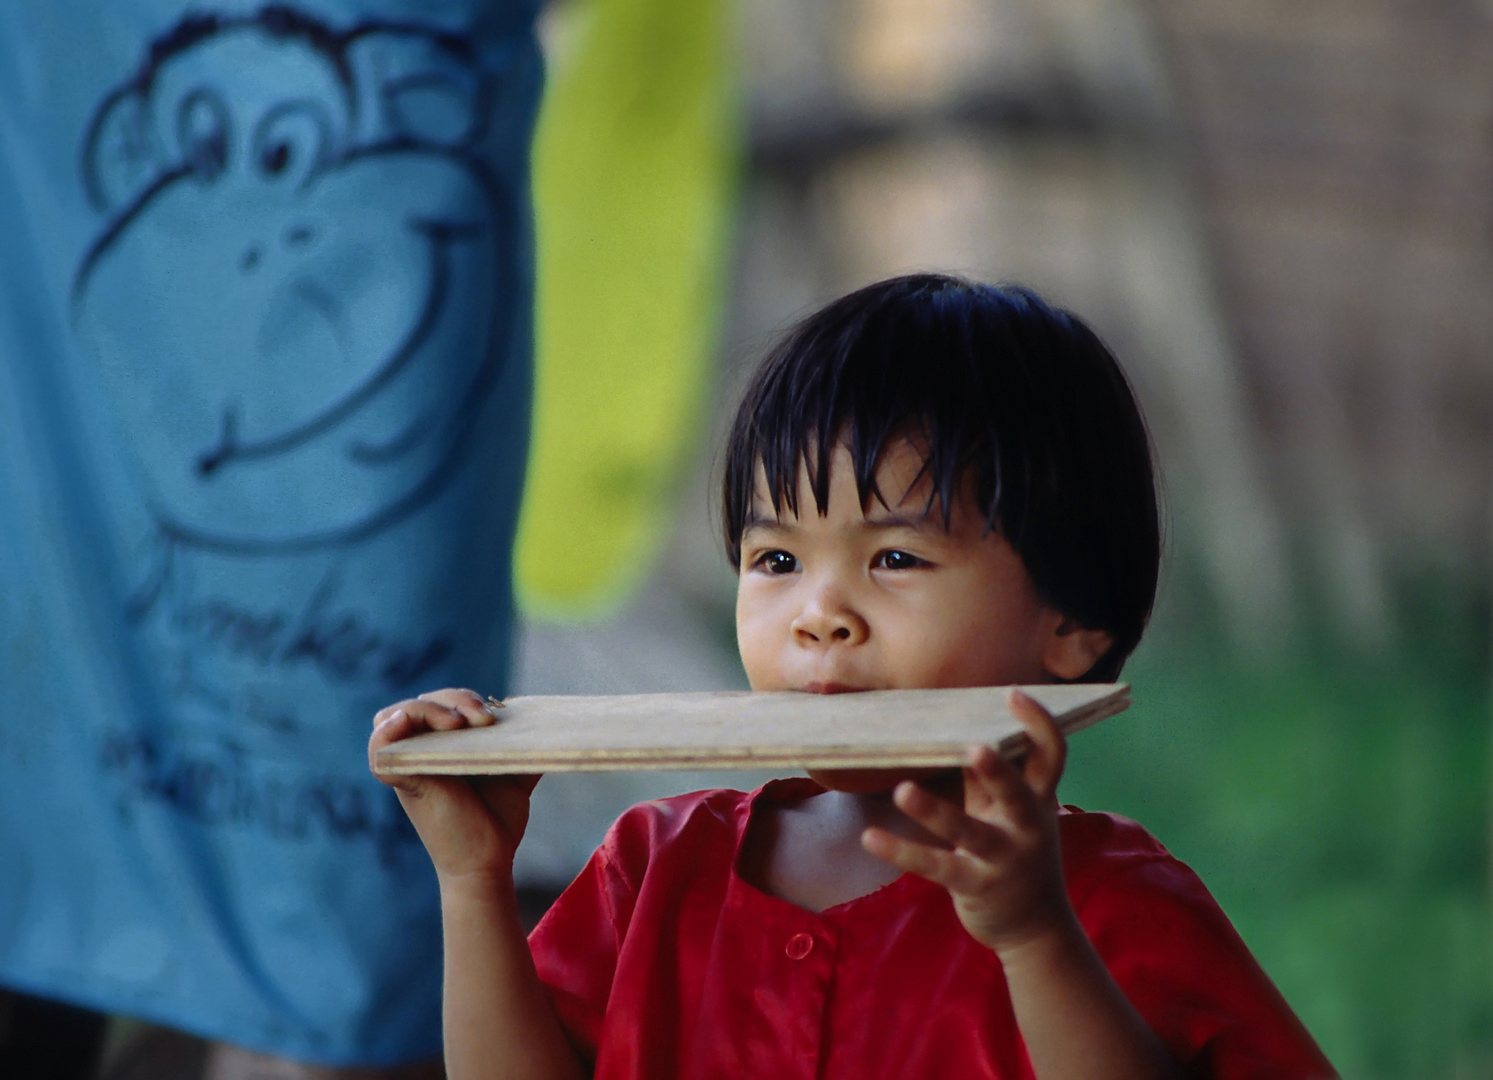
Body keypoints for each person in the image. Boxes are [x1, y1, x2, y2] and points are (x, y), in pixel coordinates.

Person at [368, 274, 1336, 1079]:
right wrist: (472, 881)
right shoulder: (653, 870)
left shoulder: (1110, 903)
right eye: (776, 562)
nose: (817, 615)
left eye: (895, 559)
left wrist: (1034, 935)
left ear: (1072, 624)